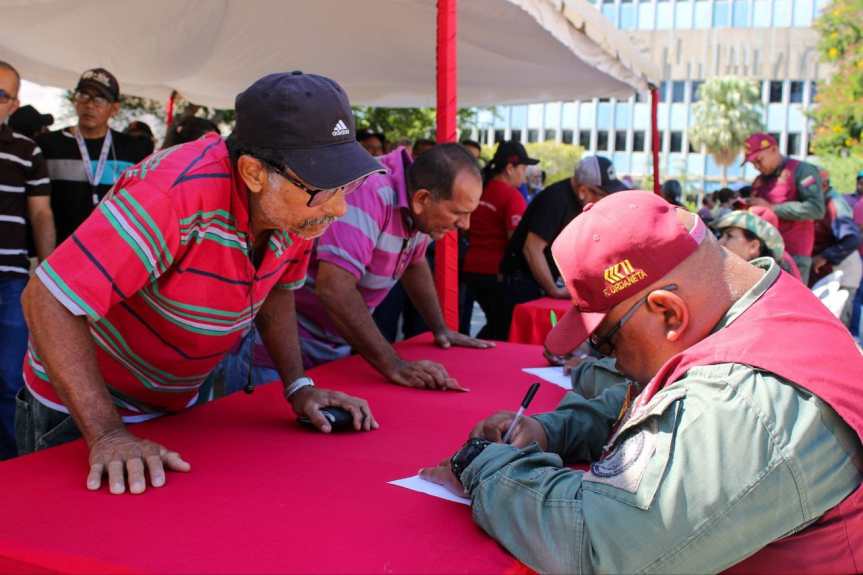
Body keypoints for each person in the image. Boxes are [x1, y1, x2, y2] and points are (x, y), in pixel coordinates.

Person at [421, 190, 863, 573]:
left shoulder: (743, 400)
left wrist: (482, 465)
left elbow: (597, 546)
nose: (611, 361)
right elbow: (656, 397)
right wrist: (551, 430)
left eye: (608, 341)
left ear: (668, 311)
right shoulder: (759, 307)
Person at [18, 72, 385, 495]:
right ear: (252, 173)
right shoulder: (172, 194)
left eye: (347, 185)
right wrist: (107, 433)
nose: (338, 208)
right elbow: (46, 298)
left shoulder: (297, 213)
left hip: (177, 406)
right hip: (81, 412)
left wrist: (299, 387)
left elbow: (275, 290)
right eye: (323, 190)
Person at [258, 143, 492, 390]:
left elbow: (414, 262)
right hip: (281, 352)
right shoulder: (370, 190)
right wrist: (393, 365)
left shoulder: (421, 206)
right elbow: (335, 289)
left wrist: (441, 328)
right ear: (422, 198)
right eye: (458, 212)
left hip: (332, 346)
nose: (465, 224)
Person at [498, 155, 628, 337]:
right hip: (521, 282)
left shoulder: (583, 204)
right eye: (604, 195)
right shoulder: (556, 200)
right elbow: (532, 249)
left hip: (540, 282)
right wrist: (554, 290)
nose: (606, 201)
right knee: (505, 337)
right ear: (583, 190)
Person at [0, 61, 55, 460]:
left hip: (10, 280)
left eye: (0, 94)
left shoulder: (27, 150)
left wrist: (50, 278)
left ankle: (10, 465)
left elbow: (40, 214)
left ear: (14, 104)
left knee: (8, 378)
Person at [37, 68, 151, 245]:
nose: (89, 105)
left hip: (108, 253)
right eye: (84, 95)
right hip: (58, 253)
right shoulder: (47, 145)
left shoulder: (133, 150)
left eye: (99, 99)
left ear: (114, 108)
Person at [461, 141, 534, 340]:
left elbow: (465, 229)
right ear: (510, 168)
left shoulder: (479, 189)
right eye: (523, 168)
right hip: (497, 274)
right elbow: (517, 242)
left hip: (471, 268)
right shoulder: (512, 197)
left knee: (496, 322)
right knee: (502, 326)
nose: (525, 174)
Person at [744, 132, 824, 283]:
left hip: (793, 255)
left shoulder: (802, 171)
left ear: (774, 150)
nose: (756, 167)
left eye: (759, 160)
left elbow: (816, 208)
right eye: (753, 164)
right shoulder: (759, 180)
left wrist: (772, 208)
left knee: (793, 303)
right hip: (763, 254)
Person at [810, 169, 861, 326]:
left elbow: (852, 239)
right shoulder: (818, 203)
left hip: (843, 272)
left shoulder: (835, 205)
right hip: (828, 272)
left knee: (837, 324)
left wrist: (824, 256)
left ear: (824, 186)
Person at [714, 206, 801, 279]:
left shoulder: (777, 281)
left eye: (729, 236)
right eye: (721, 236)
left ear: (753, 246)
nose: (719, 242)